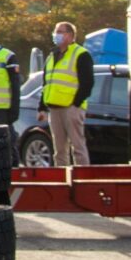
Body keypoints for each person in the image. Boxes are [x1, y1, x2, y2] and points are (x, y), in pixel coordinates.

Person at [41, 21, 93, 167]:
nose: (55, 35)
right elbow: (46, 84)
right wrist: (42, 107)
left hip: (71, 108)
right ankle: (63, 182)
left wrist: (75, 104)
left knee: (78, 147)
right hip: (54, 108)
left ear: (70, 35)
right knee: (59, 151)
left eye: (60, 32)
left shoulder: (81, 54)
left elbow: (87, 83)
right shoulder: (52, 56)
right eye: (55, 32)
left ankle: (83, 180)